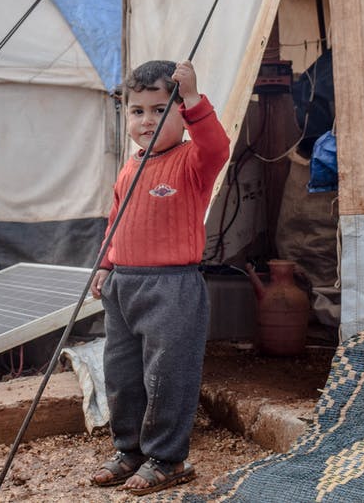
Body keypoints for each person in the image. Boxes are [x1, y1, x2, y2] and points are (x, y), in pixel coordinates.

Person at [88, 59, 230, 495]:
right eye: (137, 111)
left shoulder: (193, 160)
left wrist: (191, 97)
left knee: (168, 375)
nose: (147, 120)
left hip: (172, 288)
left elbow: (217, 146)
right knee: (122, 373)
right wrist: (104, 263)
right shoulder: (130, 167)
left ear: (179, 115)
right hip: (123, 286)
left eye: (159, 109)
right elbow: (116, 219)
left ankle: (169, 458)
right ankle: (129, 450)